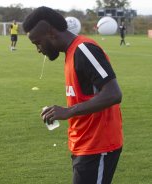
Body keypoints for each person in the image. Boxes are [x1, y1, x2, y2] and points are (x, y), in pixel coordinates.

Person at [23, 7, 123, 184]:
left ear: (51, 33)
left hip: (98, 145)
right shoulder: (71, 53)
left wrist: (68, 111)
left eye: (37, 42)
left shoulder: (84, 49)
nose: (38, 49)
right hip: (84, 145)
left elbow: (113, 93)